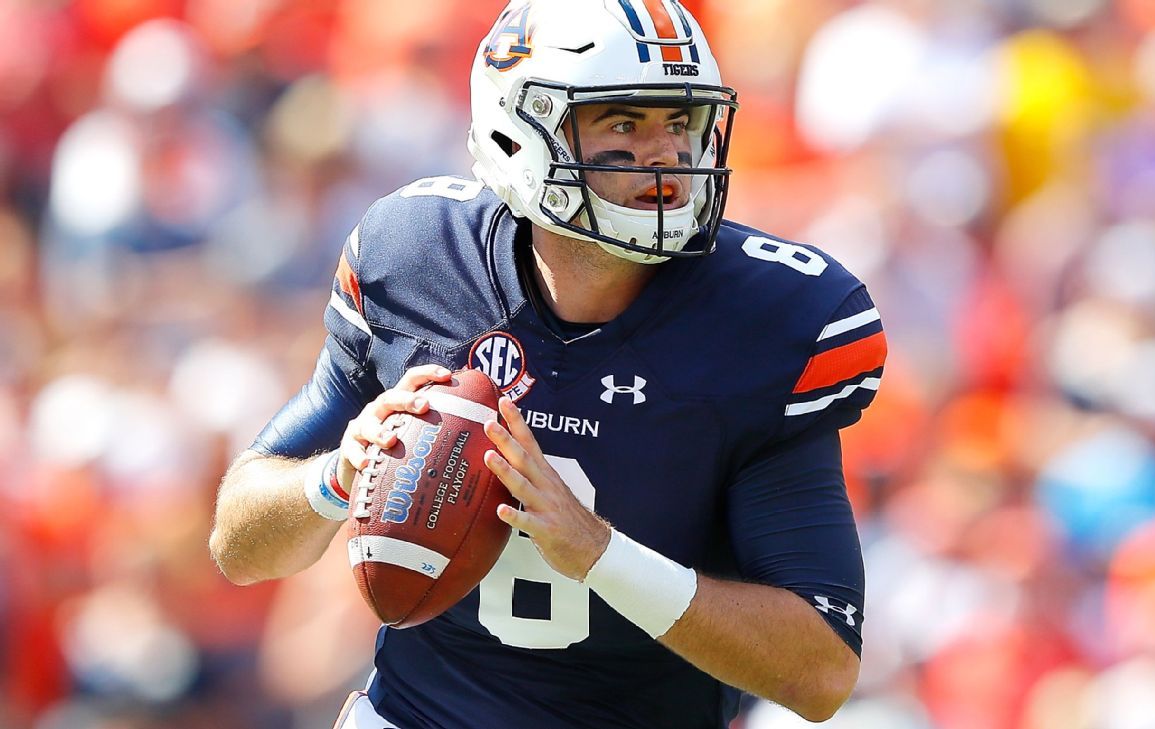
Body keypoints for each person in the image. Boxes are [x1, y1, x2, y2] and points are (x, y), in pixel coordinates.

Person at [209, 0, 887, 726]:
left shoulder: (770, 320)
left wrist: (600, 553)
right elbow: (237, 547)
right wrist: (335, 476)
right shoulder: (418, 257)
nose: (666, 153)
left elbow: (820, 673)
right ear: (518, 131)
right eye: (623, 124)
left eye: (680, 121)